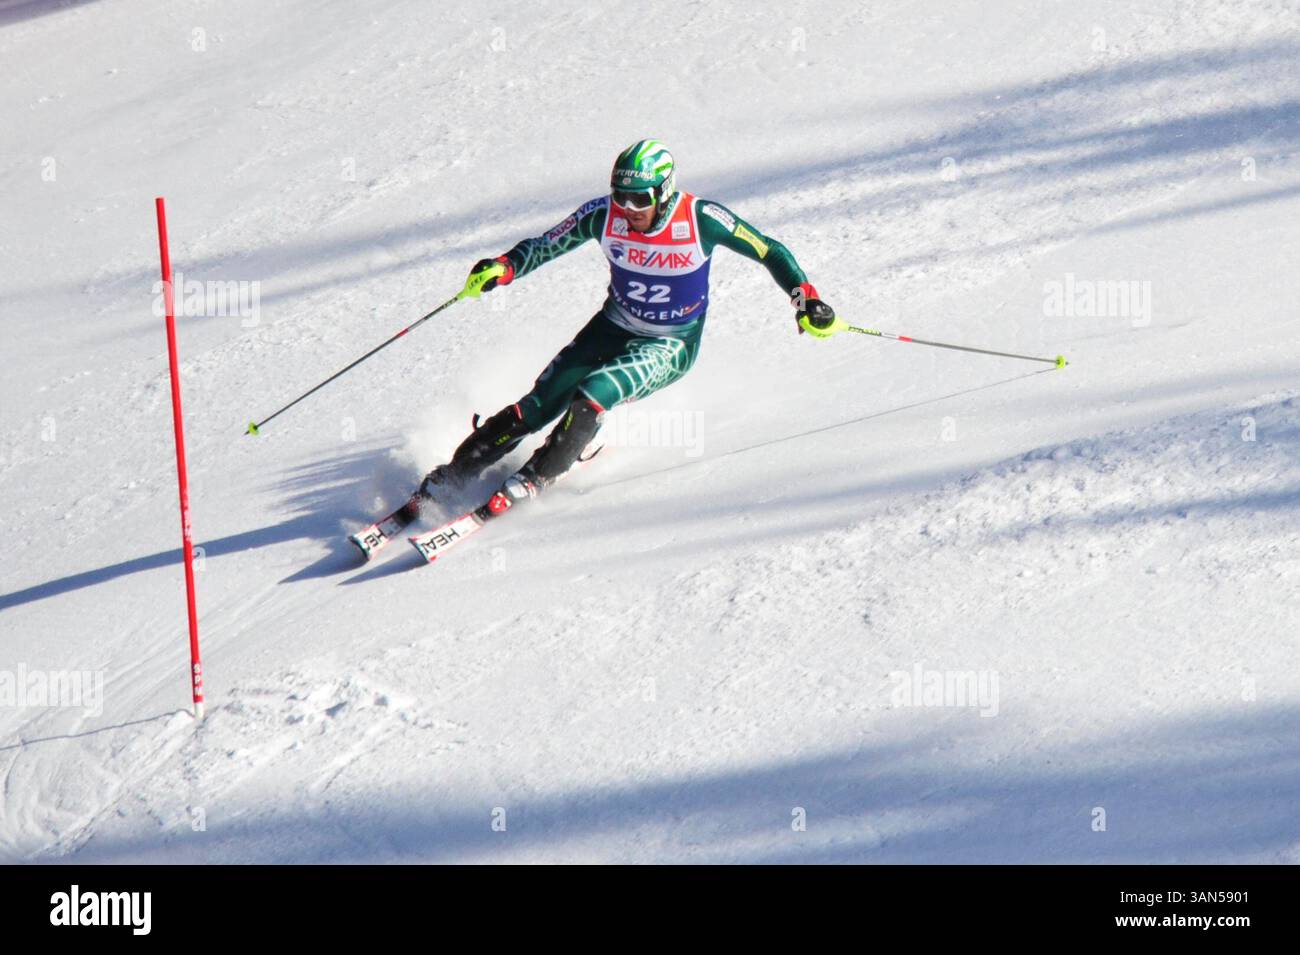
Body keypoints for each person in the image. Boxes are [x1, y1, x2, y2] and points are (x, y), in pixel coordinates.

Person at [419, 138, 844, 517]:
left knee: (591, 397)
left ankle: (538, 474)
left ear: (664, 192)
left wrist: (805, 298)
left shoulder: (701, 219)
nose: (629, 208)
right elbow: (547, 244)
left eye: (640, 199)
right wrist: (505, 266)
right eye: (621, 196)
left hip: (670, 342)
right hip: (613, 325)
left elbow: (769, 250)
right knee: (537, 406)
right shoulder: (604, 215)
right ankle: (453, 475)